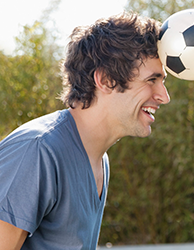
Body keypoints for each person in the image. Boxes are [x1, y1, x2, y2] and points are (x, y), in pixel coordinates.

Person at [0, 12, 170, 249]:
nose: (165, 96)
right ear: (106, 79)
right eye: (152, 80)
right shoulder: (38, 151)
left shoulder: (100, 158)